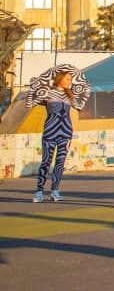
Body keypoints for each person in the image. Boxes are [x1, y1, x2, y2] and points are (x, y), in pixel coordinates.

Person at [28, 66, 88, 203]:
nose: (69, 82)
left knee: (60, 162)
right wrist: (33, 89)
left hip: (66, 131)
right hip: (50, 131)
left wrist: (84, 92)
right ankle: (39, 191)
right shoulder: (48, 93)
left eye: (71, 79)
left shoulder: (69, 95)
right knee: (46, 161)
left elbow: (80, 107)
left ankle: (55, 190)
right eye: (67, 79)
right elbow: (30, 104)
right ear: (60, 79)